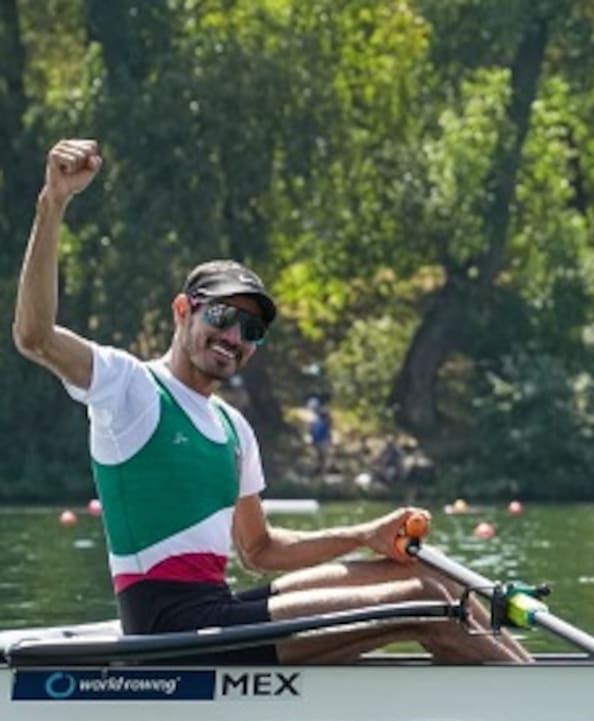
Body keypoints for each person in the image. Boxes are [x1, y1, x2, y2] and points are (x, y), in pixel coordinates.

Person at [13, 138, 529, 666]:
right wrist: (52, 203)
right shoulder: (129, 387)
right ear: (182, 311)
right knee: (422, 602)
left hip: (217, 611)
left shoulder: (232, 427)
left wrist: (364, 535)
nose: (234, 336)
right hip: (168, 630)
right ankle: (537, 710)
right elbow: (34, 336)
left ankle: (515, 686)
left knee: (428, 578)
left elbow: (259, 552)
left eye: (251, 328)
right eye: (220, 317)